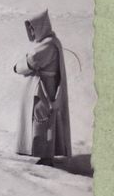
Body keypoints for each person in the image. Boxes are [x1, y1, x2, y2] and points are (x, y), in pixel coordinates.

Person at [13, 10, 71, 163]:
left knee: (41, 121)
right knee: (44, 121)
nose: (31, 31)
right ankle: (44, 155)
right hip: (46, 87)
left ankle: (44, 156)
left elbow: (31, 62)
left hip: (43, 89)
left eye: (33, 27)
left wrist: (17, 66)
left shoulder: (47, 45)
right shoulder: (51, 41)